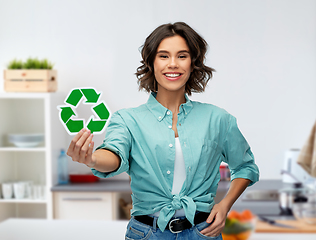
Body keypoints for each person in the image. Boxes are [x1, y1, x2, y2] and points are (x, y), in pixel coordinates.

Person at [67, 22, 259, 240]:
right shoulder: (127, 119)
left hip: (203, 232)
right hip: (146, 233)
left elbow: (245, 167)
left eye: (182, 56)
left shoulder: (218, 119)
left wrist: (225, 205)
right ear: (151, 63)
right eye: (164, 56)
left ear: (193, 63)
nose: (173, 64)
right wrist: (91, 158)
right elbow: (114, 154)